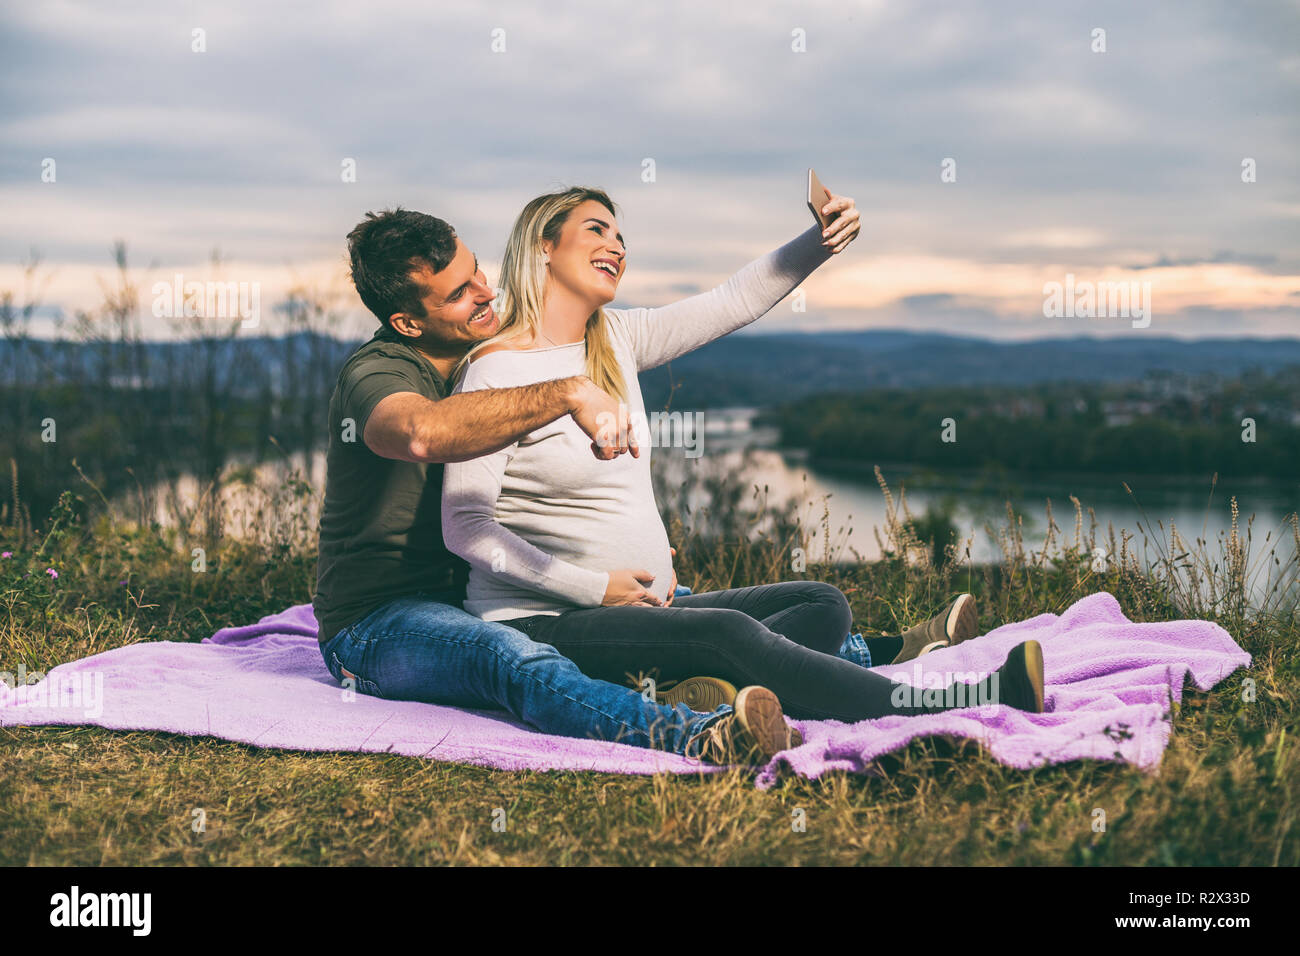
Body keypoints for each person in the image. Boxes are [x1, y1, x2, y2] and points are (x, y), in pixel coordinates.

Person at [441, 186, 1047, 727]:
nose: (617, 246)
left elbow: (734, 299)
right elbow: (465, 528)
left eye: (621, 236)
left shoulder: (616, 340)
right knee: (730, 633)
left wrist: (819, 241)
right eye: (596, 230)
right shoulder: (495, 371)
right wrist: (595, 586)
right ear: (543, 246)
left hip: (648, 605)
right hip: (541, 622)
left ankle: (698, 687)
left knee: (819, 603)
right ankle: (958, 701)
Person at [315, 206, 803, 765]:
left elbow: (729, 301)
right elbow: (422, 433)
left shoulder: (499, 345)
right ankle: (703, 735)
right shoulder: (379, 372)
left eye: (477, 270)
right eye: (458, 293)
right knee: (509, 658)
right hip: (381, 620)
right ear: (407, 322)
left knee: (702, 617)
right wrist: (569, 392)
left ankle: (880, 653)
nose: (484, 292)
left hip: (491, 595)